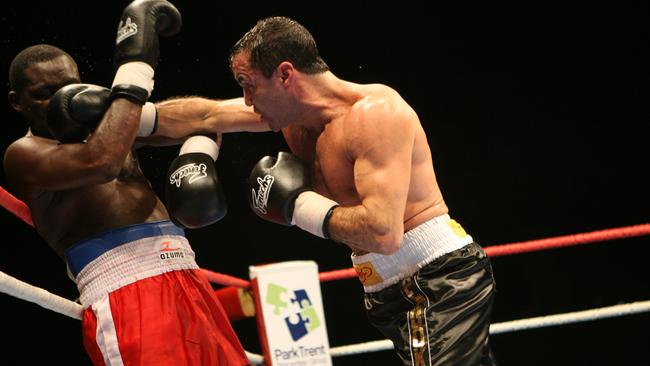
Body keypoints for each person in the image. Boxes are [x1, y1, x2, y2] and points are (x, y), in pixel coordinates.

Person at [3, 1, 261, 365]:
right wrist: (135, 67)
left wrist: (196, 157)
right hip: (127, 296)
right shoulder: (25, 153)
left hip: (188, 277)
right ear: (17, 102)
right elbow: (101, 162)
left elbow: (204, 118)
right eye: (45, 93)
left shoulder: (108, 123)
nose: (62, 100)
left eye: (70, 87)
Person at [230, 17, 498, 366]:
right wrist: (140, 99)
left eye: (247, 84)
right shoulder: (291, 118)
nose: (247, 100)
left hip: (437, 279)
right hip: (387, 289)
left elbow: (383, 233)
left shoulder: (373, 114)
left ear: (284, 75)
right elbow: (204, 116)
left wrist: (298, 206)